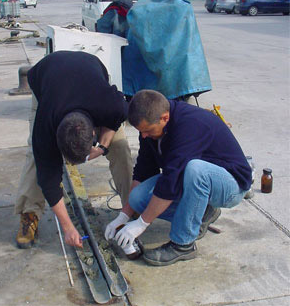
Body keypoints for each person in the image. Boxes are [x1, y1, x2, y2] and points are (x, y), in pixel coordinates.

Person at [105, 89, 251, 266]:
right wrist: (124, 216)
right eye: (140, 131)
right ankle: (203, 212)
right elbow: (143, 171)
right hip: (191, 180)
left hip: (230, 184)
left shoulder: (189, 126)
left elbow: (170, 182)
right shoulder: (151, 127)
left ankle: (183, 244)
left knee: (195, 169)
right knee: (137, 198)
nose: (143, 136)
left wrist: (142, 223)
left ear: (165, 118)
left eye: (147, 131)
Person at [15, 50, 133, 249]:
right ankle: (29, 212)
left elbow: (118, 117)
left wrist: (103, 146)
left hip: (90, 68)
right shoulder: (46, 124)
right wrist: (68, 227)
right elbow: (48, 179)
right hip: (46, 77)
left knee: (120, 146)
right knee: (35, 156)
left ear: (94, 130)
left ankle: (131, 208)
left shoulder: (111, 105)